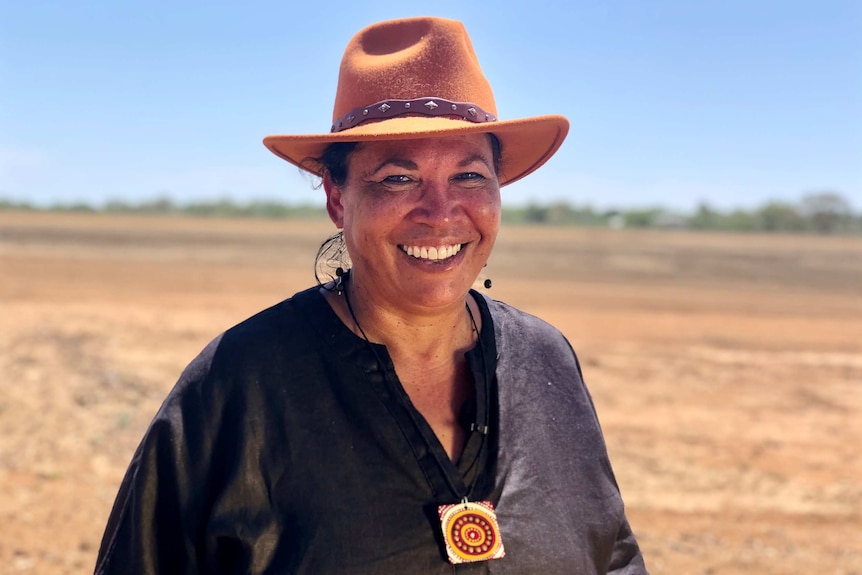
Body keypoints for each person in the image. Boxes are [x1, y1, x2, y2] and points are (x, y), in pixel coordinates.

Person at [95, 16, 648, 575]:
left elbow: (611, 553)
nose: (440, 213)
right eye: (397, 179)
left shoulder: (544, 359)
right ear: (337, 198)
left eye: (470, 176)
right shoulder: (241, 383)